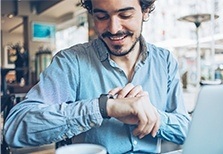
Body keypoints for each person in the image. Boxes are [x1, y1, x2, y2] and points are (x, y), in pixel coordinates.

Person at [4, 0, 190, 153]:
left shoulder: (165, 61)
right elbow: (16, 128)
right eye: (101, 17)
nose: (114, 28)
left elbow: (186, 130)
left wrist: (150, 115)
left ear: (146, 10)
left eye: (125, 15)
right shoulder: (70, 62)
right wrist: (104, 107)